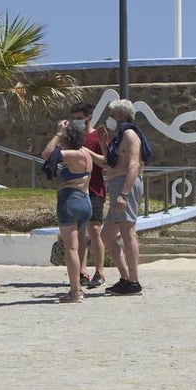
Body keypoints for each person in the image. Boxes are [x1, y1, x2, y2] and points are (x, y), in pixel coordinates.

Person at [93, 99, 152, 296]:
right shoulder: (119, 137)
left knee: (128, 231)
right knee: (106, 235)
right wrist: (103, 143)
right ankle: (125, 277)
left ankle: (133, 282)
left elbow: (134, 165)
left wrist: (123, 194)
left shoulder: (129, 134)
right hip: (117, 184)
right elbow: (111, 164)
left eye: (113, 115)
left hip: (125, 186)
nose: (110, 118)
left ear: (123, 116)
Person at [41, 119, 95, 303]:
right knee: (78, 245)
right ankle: (78, 286)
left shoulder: (73, 154)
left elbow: (47, 154)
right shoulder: (86, 153)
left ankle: (75, 292)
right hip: (85, 201)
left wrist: (57, 134)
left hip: (70, 200)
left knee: (71, 248)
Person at [68, 102, 107, 289]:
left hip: (95, 188)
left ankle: (100, 271)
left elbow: (105, 162)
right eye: (73, 118)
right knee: (79, 231)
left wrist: (86, 152)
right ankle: (82, 271)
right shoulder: (72, 138)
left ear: (88, 118)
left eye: (79, 118)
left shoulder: (97, 136)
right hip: (75, 189)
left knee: (95, 229)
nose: (76, 121)